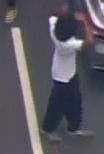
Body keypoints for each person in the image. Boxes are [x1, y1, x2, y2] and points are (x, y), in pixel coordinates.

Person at [41, 9, 96, 142]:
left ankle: (74, 126)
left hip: (68, 73)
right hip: (62, 78)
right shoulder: (68, 44)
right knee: (56, 106)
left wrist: (69, 15)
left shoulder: (54, 29)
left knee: (75, 100)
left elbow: (53, 14)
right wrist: (85, 22)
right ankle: (46, 129)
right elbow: (89, 42)